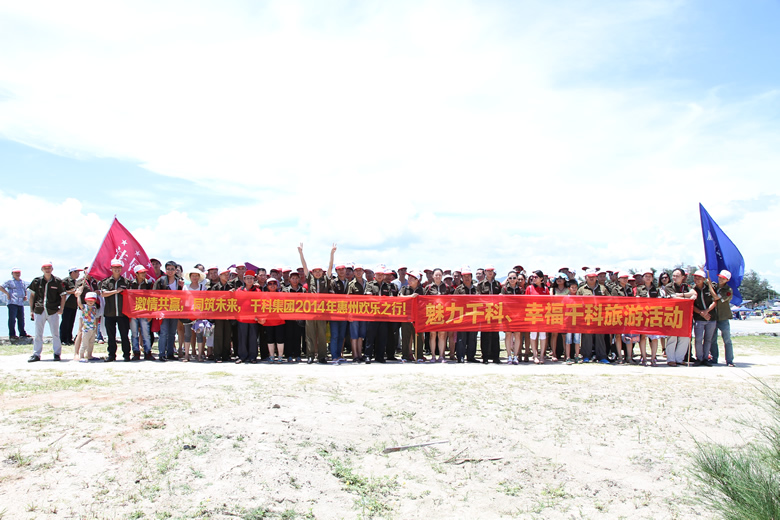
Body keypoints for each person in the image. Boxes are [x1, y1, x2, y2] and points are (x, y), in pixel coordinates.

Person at [298, 242, 336, 364]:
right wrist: (301, 253)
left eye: (320, 271)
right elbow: (304, 266)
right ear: (312, 272)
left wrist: (332, 253)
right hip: (310, 310)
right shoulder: (310, 278)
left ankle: (322, 356)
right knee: (310, 334)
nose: (318, 273)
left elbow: (330, 267)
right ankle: (310, 355)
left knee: (322, 334)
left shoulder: (326, 279)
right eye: (315, 271)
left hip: (322, 311)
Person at [100, 259, 132, 362]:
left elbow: (132, 295)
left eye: (119, 267)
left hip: (123, 314)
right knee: (111, 336)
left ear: (121, 269)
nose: (117, 269)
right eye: (115, 267)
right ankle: (111, 355)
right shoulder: (106, 282)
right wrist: (116, 291)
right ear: (111, 269)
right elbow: (103, 294)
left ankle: (126, 355)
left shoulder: (126, 282)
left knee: (124, 336)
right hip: (109, 313)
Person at [576, 269, 610, 363]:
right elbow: (577, 302)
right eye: (589, 277)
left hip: (600, 315)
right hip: (587, 315)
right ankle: (586, 356)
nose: (591, 279)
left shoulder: (603, 288)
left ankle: (602, 356)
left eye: (593, 277)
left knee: (600, 336)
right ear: (585, 278)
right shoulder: (582, 289)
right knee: (587, 336)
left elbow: (609, 300)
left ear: (596, 277)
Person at [664, 268, 696, 366]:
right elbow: (674, 298)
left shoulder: (686, 286)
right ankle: (671, 359)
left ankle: (679, 358)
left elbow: (694, 294)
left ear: (683, 277)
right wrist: (688, 297)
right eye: (673, 275)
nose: (674, 277)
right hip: (672, 314)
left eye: (677, 276)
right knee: (672, 338)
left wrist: (682, 295)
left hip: (685, 315)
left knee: (684, 337)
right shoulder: (669, 286)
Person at [153, 261, 184, 361]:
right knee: (163, 332)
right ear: (165, 270)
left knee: (172, 332)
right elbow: (154, 294)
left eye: (172, 269)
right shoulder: (161, 281)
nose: (170, 271)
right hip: (163, 310)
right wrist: (157, 310)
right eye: (168, 269)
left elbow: (184, 295)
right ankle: (162, 353)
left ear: (175, 270)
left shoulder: (179, 281)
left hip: (175, 310)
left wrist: (182, 287)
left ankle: (170, 353)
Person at [636, 268, 662, 366]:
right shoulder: (639, 289)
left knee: (654, 337)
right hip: (643, 315)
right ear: (643, 278)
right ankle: (644, 357)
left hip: (654, 315)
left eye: (650, 276)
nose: (648, 278)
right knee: (643, 337)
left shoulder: (657, 289)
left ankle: (653, 358)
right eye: (646, 276)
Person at [210, 268, 237, 363]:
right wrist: (225, 295)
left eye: (228, 274)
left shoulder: (231, 286)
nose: (227, 276)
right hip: (218, 314)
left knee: (227, 335)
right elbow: (212, 299)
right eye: (225, 274)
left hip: (229, 313)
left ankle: (226, 355)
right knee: (218, 335)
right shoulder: (215, 287)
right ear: (220, 276)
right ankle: (217, 355)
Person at [692, 269, 718, 367]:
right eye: (695, 278)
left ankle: (706, 358)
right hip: (699, 318)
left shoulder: (709, 288)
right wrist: (701, 313)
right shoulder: (693, 290)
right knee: (698, 339)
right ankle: (699, 358)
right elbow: (691, 304)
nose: (697, 280)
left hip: (711, 317)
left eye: (699, 278)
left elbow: (715, 300)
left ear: (704, 279)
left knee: (708, 339)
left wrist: (707, 311)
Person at [128, 265, 155, 360]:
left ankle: (148, 352)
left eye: (144, 272)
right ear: (136, 274)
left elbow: (152, 298)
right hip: (133, 312)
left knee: (146, 333)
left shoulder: (149, 284)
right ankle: (136, 352)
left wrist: (151, 313)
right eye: (141, 272)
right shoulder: (131, 284)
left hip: (145, 312)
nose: (144, 274)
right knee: (134, 333)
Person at [454, 266, 479, 363]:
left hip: (474, 316)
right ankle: (460, 356)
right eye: (464, 276)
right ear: (462, 278)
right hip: (462, 316)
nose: (467, 278)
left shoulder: (476, 289)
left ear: (472, 277)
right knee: (461, 337)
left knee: (473, 337)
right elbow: (454, 302)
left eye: (468, 276)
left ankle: (471, 356)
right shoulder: (458, 289)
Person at [181, 268, 206, 362]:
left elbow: (205, 299)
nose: (194, 277)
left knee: (199, 334)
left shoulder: (202, 287)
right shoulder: (185, 287)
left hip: (199, 313)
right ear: (190, 277)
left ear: (199, 277)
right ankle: (186, 355)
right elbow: (183, 299)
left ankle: (199, 355)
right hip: (188, 313)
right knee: (187, 334)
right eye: (193, 276)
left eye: (196, 276)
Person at [399, 270, 425, 362]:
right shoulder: (404, 288)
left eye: (411, 278)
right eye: (408, 278)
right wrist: (411, 297)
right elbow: (399, 297)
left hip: (418, 317)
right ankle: (405, 356)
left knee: (418, 337)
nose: (409, 280)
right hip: (406, 316)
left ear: (417, 280)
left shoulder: (422, 290)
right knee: (405, 336)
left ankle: (419, 356)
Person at [710, 270, 735, 366]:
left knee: (727, 339)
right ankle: (714, 358)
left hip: (723, 317)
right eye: (720, 277)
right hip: (713, 316)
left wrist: (709, 286)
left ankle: (729, 360)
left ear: (727, 280)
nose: (720, 279)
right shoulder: (714, 286)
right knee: (712, 339)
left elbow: (717, 298)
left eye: (723, 278)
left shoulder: (728, 290)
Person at [425, 268, 449, 363]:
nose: (438, 277)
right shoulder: (429, 287)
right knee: (432, 335)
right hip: (432, 313)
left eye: (439, 275)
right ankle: (433, 356)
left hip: (443, 313)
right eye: (436, 275)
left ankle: (441, 356)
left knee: (442, 335)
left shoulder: (446, 287)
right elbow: (424, 300)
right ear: (432, 276)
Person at [526, 270, 550, 364]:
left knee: (543, 335)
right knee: (533, 335)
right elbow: (525, 301)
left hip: (543, 315)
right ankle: (535, 355)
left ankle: (542, 355)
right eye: (532, 277)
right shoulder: (529, 288)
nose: (534, 279)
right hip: (533, 314)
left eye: (536, 277)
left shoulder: (545, 289)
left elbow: (548, 302)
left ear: (541, 278)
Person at [260, 277, 286, 363]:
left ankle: (280, 356)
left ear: (277, 285)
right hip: (268, 321)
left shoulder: (281, 295)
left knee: (280, 339)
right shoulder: (264, 295)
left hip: (279, 320)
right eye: (270, 284)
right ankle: (271, 356)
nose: (272, 285)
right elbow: (262, 307)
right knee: (269, 339)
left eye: (274, 283)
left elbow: (284, 306)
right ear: (267, 286)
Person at [329, 262, 350, 363]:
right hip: (334, 313)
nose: (341, 271)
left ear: (346, 270)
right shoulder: (333, 282)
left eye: (343, 269)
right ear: (336, 271)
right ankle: (334, 356)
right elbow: (332, 296)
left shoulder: (349, 282)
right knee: (335, 335)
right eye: (339, 270)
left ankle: (339, 355)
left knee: (342, 336)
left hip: (345, 312)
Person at [501, 270, 524, 365]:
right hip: (507, 315)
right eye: (510, 278)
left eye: (514, 278)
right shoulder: (504, 289)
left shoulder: (520, 289)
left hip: (518, 315)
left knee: (517, 334)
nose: (512, 280)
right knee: (508, 334)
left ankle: (515, 356)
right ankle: (509, 356)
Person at [1, 268, 30, 340]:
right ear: (12, 274)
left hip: (20, 303)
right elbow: (1, 287)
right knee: (12, 319)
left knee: (21, 318)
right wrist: (7, 293)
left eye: (18, 272)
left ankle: (22, 333)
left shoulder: (22, 282)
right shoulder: (9, 281)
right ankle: (12, 334)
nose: (17, 274)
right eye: (15, 272)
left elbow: (25, 289)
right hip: (12, 302)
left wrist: (25, 296)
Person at [283, 270, 305, 362]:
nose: (295, 280)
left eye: (296, 278)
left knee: (297, 336)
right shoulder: (285, 290)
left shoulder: (303, 290)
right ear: (289, 279)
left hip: (299, 316)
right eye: (293, 278)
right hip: (289, 317)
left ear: (299, 279)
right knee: (288, 336)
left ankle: (297, 354)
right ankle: (288, 354)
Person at [346, 264, 367, 362]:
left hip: (365, 312)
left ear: (363, 272)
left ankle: (360, 353)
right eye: (357, 271)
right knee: (354, 334)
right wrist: (349, 313)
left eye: (360, 270)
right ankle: (355, 354)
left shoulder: (367, 283)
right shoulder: (351, 284)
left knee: (361, 334)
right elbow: (348, 299)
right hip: (354, 311)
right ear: (354, 272)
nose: (358, 272)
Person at [75, 288, 100, 362]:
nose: (90, 302)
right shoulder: (84, 307)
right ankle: (81, 356)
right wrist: (78, 296)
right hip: (86, 329)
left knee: (91, 343)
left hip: (93, 328)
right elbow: (79, 304)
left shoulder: (94, 308)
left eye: (92, 300)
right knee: (84, 343)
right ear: (85, 300)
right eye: (88, 300)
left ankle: (89, 355)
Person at [59, 267, 83, 345]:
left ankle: (69, 338)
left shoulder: (77, 282)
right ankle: (63, 339)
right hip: (66, 305)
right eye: (77, 272)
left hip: (74, 305)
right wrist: (73, 291)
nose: (79, 274)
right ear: (72, 272)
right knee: (65, 322)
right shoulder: (65, 281)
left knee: (71, 322)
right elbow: (62, 291)